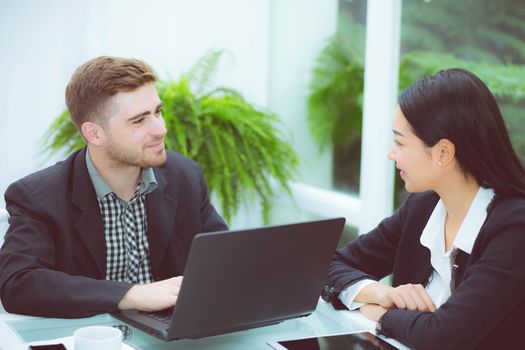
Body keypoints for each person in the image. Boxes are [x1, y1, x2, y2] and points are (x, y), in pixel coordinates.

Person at [0, 56, 228, 318]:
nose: (160, 129)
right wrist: (129, 294)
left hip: (171, 335)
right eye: (139, 120)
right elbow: (17, 284)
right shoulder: (38, 197)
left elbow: (222, 259)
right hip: (90, 338)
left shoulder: (185, 177)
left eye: (158, 112)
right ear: (94, 133)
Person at [322, 68, 525, 350]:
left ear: (443, 152)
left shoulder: (515, 229)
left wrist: (380, 313)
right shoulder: (424, 207)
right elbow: (328, 265)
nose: (391, 153)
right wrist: (378, 292)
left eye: (400, 142)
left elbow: (443, 336)